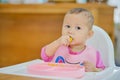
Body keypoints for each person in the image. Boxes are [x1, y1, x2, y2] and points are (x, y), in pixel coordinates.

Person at [41, 8, 105, 72]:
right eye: (68, 26)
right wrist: (58, 42)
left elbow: (104, 72)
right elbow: (45, 56)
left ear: (89, 34)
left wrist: (95, 70)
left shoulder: (93, 53)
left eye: (78, 28)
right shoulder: (58, 47)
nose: (70, 31)